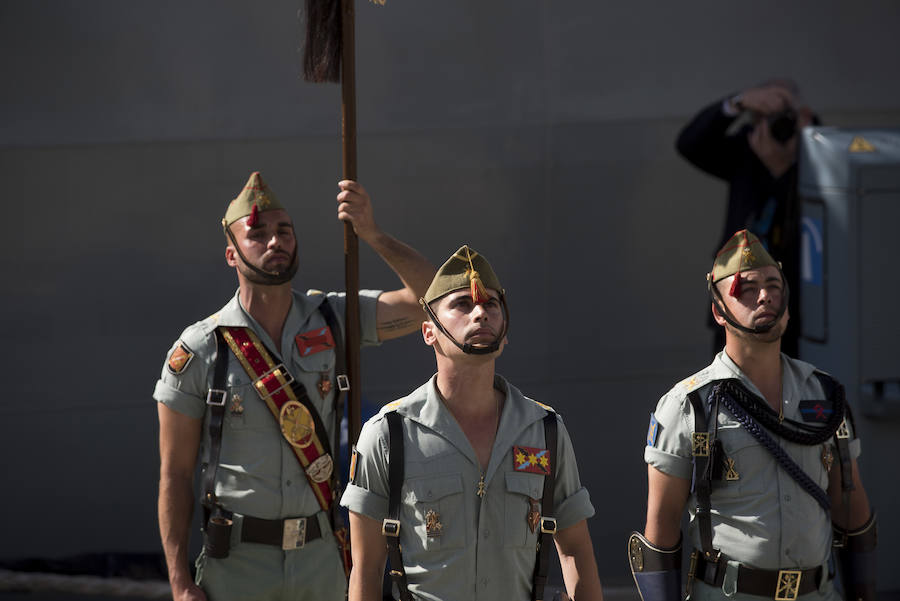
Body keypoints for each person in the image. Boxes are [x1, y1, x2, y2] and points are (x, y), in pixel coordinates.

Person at [154, 171, 435, 601]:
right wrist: (179, 583)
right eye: (257, 233)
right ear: (231, 255)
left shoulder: (333, 318)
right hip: (236, 567)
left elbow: (429, 303)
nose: (274, 241)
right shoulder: (200, 349)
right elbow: (175, 474)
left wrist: (371, 233)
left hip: (320, 561)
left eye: (284, 231)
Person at [341, 245, 604, 601]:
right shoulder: (388, 434)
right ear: (428, 332)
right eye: (462, 304)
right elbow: (367, 568)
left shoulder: (545, 430)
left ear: (505, 330)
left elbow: (575, 551)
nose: (480, 313)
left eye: (491, 305)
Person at [629, 230, 876, 601]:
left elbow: (853, 514)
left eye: (774, 286)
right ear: (718, 311)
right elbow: (660, 538)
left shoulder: (825, 396)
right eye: (746, 288)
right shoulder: (688, 406)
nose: (764, 296)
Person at [676, 80, 818, 357]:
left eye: (784, 114)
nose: (777, 126)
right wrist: (736, 102)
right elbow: (689, 144)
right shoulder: (746, 149)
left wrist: (785, 168)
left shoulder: (818, 154)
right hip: (738, 304)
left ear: (802, 115)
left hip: (799, 311)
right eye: (765, 116)